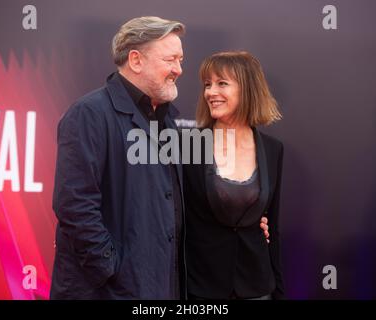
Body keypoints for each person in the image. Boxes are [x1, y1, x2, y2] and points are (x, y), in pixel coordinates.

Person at [50, 16, 270, 300]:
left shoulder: (167, 121)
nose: (179, 70)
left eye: (180, 60)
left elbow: (177, 203)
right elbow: (75, 206)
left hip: (160, 287)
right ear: (136, 60)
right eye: (171, 60)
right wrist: (112, 268)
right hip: (106, 290)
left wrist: (247, 224)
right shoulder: (89, 114)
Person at [183, 51, 284, 300]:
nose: (210, 92)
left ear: (247, 89)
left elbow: (274, 225)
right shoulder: (188, 144)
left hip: (257, 287)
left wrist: (279, 291)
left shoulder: (273, 149)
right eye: (207, 84)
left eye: (222, 83)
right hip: (202, 288)